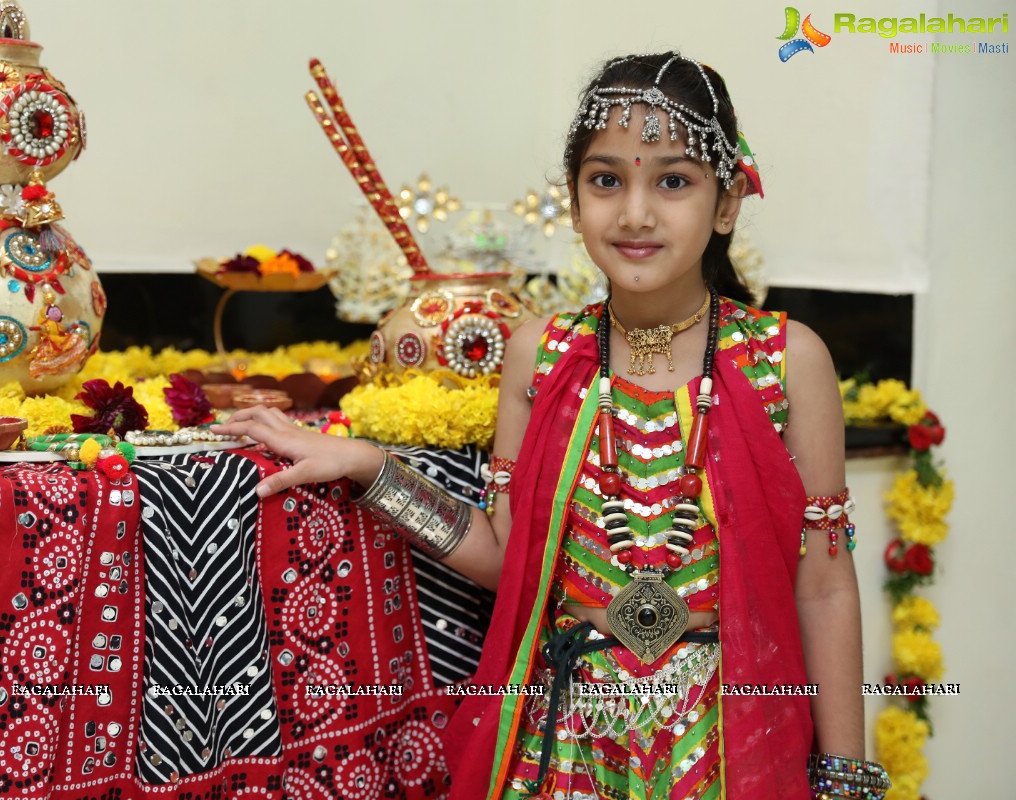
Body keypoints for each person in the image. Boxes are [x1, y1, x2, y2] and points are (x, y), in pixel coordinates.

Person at [214, 51, 889, 800]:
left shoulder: (787, 362)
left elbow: (824, 586)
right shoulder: (542, 355)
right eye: (607, 181)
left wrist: (845, 779)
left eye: (673, 181)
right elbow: (510, 559)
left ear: (726, 204)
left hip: (728, 744)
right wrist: (369, 465)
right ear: (573, 203)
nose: (635, 212)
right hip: (566, 745)